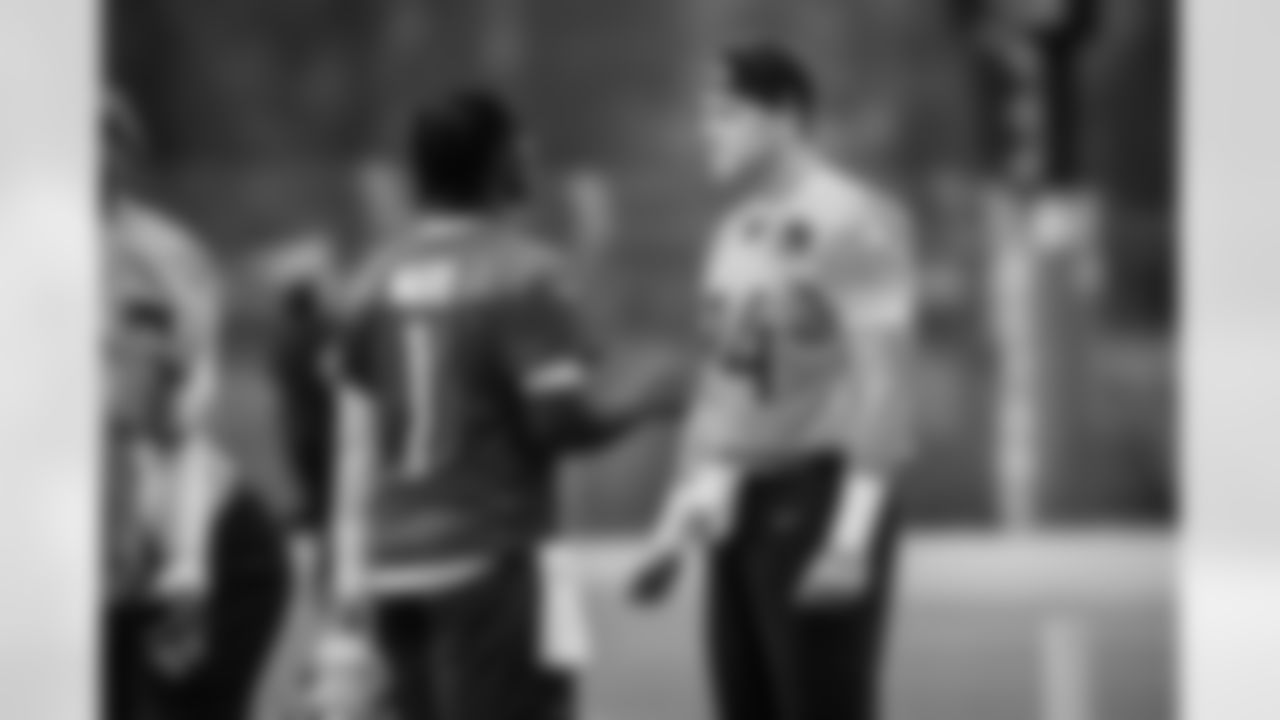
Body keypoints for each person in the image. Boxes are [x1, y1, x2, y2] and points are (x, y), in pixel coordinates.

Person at [311, 89, 688, 720]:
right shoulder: (524, 273)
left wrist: (348, 581)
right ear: (495, 163)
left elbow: (353, 445)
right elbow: (560, 421)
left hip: (391, 568)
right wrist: (645, 401)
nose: (532, 158)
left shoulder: (368, 282)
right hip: (489, 564)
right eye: (521, 144)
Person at [632, 45, 918, 720]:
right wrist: (673, 530)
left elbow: (887, 386)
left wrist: (849, 541)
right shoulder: (734, 230)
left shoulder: (857, 220)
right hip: (739, 517)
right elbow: (725, 396)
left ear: (784, 117)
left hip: (816, 498)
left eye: (726, 113)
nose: (708, 129)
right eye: (704, 114)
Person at [102, 91, 289, 720]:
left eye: (110, 139)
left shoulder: (160, 259)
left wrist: (186, 566)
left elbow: (176, 419)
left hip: (197, 543)